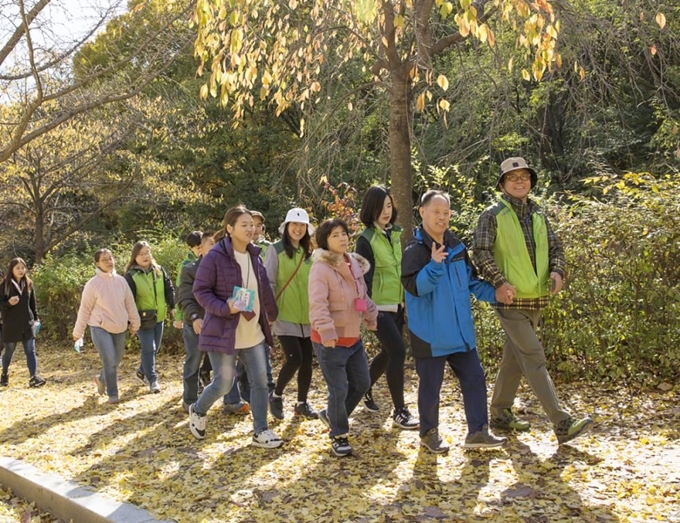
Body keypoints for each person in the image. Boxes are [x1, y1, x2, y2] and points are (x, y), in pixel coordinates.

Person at [472, 156, 593, 444]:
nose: (519, 181)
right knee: (534, 357)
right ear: (502, 184)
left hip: (537, 300)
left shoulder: (538, 214)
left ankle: (500, 413)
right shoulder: (492, 215)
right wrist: (499, 282)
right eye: (513, 177)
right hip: (510, 302)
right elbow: (480, 251)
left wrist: (559, 271)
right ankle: (561, 422)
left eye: (524, 176)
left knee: (514, 360)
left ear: (530, 182)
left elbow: (556, 248)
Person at [401, 190, 509, 453]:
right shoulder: (414, 251)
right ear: (422, 212)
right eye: (436, 211)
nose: (442, 217)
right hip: (430, 335)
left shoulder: (457, 247)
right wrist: (435, 265)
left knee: (474, 378)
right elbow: (416, 288)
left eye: (446, 212)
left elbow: (471, 282)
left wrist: (495, 293)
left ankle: (478, 432)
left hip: (461, 334)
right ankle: (429, 433)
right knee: (430, 388)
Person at [188, 205, 282, 448]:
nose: (251, 229)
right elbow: (200, 290)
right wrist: (223, 308)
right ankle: (198, 409)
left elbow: (263, 290)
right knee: (223, 383)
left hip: (253, 333)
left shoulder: (255, 255)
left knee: (261, 382)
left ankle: (261, 430)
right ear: (229, 229)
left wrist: (271, 315)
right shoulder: (215, 257)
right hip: (224, 333)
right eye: (244, 225)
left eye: (252, 225)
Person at [309, 218, 378, 457]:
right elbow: (317, 304)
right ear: (325, 241)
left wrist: (371, 315)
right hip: (330, 341)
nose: (342, 238)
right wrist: (326, 330)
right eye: (335, 235)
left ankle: (331, 416)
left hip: (353, 338)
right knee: (338, 389)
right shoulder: (321, 268)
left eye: (344, 233)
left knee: (361, 383)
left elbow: (362, 295)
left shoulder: (353, 263)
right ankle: (338, 435)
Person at [356, 186, 419, 430]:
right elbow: (361, 281)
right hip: (377, 308)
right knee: (399, 351)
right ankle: (400, 410)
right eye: (381, 207)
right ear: (370, 208)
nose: (386, 211)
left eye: (389, 206)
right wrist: (364, 312)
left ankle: (364, 387)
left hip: (397, 305)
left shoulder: (393, 234)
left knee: (388, 352)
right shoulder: (365, 240)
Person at [264, 207, 318, 420]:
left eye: (302, 225)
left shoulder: (310, 253)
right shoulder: (275, 250)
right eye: (294, 225)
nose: (298, 229)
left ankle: (302, 403)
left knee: (306, 361)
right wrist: (269, 311)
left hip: (307, 316)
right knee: (294, 359)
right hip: (284, 314)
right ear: (286, 227)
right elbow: (267, 281)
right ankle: (276, 395)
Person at [73, 249, 141, 404]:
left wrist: (135, 323)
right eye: (104, 260)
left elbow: (130, 303)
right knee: (109, 360)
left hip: (119, 327)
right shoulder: (92, 284)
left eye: (110, 258)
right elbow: (85, 309)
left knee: (116, 360)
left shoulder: (121, 281)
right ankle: (113, 394)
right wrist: (78, 331)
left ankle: (101, 379)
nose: (109, 262)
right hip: (100, 327)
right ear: (97, 263)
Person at [124, 241, 175, 394]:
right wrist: (131, 321)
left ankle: (141, 371)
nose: (145, 256)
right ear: (135, 257)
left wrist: (173, 307)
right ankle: (152, 379)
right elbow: (128, 300)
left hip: (159, 317)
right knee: (149, 348)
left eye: (147, 252)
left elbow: (169, 288)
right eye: (141, 254)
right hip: (142, 319)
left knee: (155, 349)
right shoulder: (131, 275)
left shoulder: (159, 270)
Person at [0, 258, 46, 388]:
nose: (21, 270)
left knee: (30, 350)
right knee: (9, 351)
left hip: (27, 323)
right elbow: (0, 304)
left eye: (22, 268)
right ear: (12, 270)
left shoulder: (28, 283)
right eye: (17, 268)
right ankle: (4, 374)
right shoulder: (5, 286)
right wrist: (8, 303)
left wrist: (36, 318)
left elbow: (32, 303)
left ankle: (33, 377)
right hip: (11, 324)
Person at [174, 231, 203, 330]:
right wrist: (178, 316)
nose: (201, 250)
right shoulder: (186, 266)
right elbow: (180, 291)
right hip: (191, 312)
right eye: (198, 248)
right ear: (191, 248)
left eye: (202, 246)